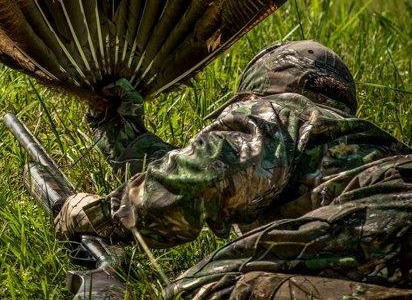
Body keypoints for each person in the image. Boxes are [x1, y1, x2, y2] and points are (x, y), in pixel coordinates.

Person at [54, 40, 411, 299]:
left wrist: (97, 214)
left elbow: (205, 176)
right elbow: (227, 174)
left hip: (377, 225)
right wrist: (125, 135)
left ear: (253, 97)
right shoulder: (354, 143)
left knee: (212, 289)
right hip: (387, 243)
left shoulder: (280, 112)